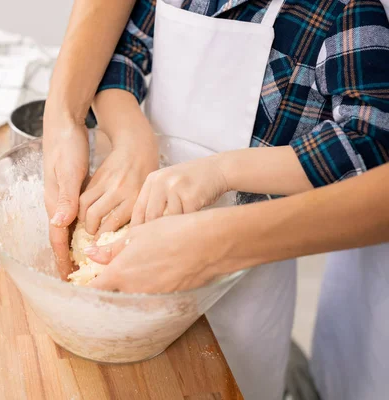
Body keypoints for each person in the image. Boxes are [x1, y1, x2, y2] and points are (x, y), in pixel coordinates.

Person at [43, 0, 389, 399]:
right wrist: (131, 136)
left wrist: (222, 173)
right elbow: (119, 56)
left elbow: (368, 144)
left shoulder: (344, 11)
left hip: (249, 274)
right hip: (146, 228)